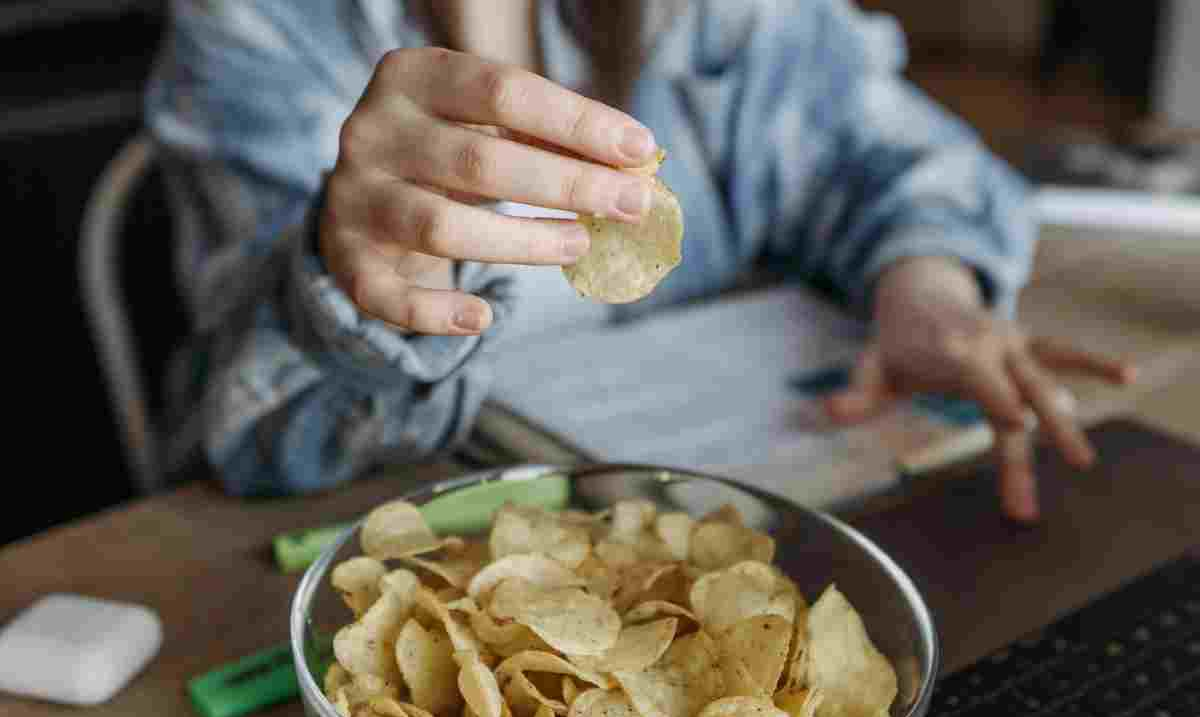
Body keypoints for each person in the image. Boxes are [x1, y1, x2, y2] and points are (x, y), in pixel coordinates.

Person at [146, 0, 1133, 520]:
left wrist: (929, 292)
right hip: (422, 529)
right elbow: (244, 426)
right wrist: (353, 284)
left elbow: (875, 147)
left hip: (745, 498)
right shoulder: (260, 18)